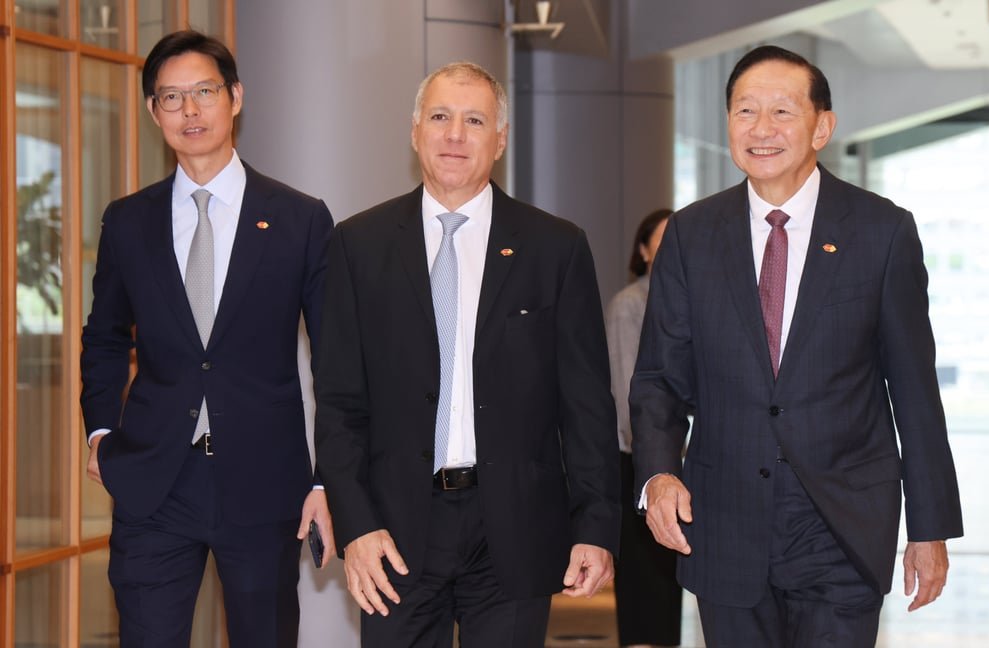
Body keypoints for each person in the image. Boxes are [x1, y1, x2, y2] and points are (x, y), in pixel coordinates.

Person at [629, 45, 964, 647]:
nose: (761, 129)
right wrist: (657, 473)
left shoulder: (881, 232)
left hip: (841, 526)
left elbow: (914, 389)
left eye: (782, 112)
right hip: (724, 521)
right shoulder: (691, 235)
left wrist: (930, 527)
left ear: (822, 127)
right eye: (745, 111)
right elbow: (659, 376)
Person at [313, 61, 620, 647]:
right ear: (415, 132)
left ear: (500, 139)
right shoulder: (358, 245)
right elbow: (339, 403)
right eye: (440, 117)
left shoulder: (556, 248)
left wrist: (596, 527)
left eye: (474, 120)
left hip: (515, 530)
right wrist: (357, 526)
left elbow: (586, 405)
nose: (455, 135)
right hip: (394, 533)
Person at [80, 29, 336, 647]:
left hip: (264, 481)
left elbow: (337, 359)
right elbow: (106, 337)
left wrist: (327, 480)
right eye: (171, 98)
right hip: (153, 482)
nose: (190, 111)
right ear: (152, 112)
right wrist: (101, 432)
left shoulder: (300, 218)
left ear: (236, 97)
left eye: (204, 92)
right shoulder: (128, 220)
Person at [605, 208, 682, 648]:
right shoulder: (629, 304)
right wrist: (656, 458)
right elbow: (627, 393)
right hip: (641, 466)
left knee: (669, 589)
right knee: (645, 590)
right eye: (662, 240)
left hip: (681, 466)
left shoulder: (693, 301)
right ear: (643, 250)